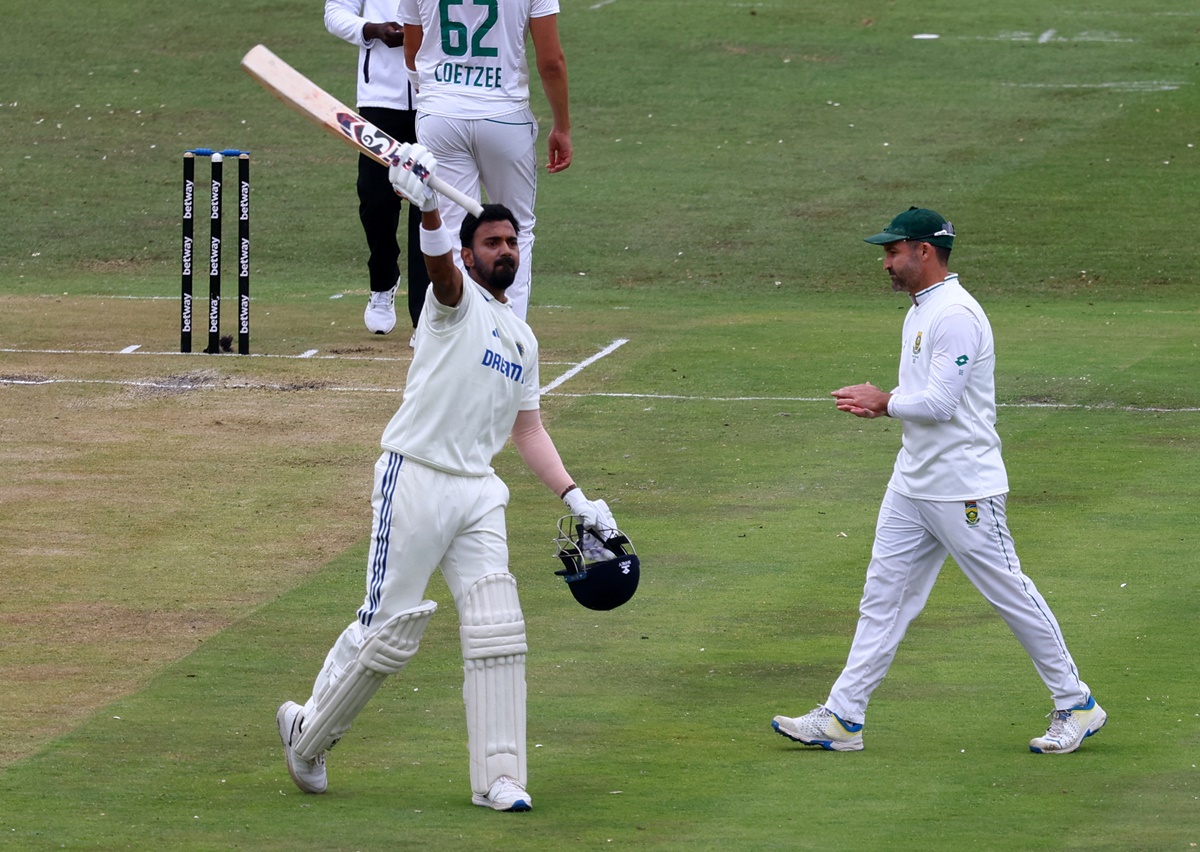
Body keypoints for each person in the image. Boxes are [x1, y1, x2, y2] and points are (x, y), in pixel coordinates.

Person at [276, 143, 619, 811]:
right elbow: (438, 270)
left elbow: (528, 430)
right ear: (469, 253)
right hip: (416, 479)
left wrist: (579, 499)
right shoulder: (451, 304)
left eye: (511, 242)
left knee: (499, 627)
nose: (506, 251)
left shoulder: (523, 338)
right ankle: (308, 735)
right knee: (388, 632)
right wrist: (429, 206)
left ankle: (500, 778)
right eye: (492, 242)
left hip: (477, 492)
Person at [772, 207, 1106, 755]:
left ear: (924, 251)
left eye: (892, 252)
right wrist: (891, 406)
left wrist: (884, 402)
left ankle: (1078, 705)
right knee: (883, 599)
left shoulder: (955, 314)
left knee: (1009, 594)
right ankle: (842, 718)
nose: (886, 263)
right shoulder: (923, 310)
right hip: (913, 483)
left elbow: (941, 403)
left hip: (963, 485)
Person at [397, 0, 572, 322]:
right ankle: (511, 337)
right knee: (516, 230)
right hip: (505, 118)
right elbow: (551, 63)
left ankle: (456, 330)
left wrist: (433, 99)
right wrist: (562, 126)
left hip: (440, 115)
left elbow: (412, 51)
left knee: (451, 233)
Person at [324, 0, 431, 339]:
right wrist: (372, 31)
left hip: (435, 96)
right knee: (376, 201)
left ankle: (424, 317)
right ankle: (383, 281)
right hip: (379, 100)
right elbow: (334, 13)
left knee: (426, 206)